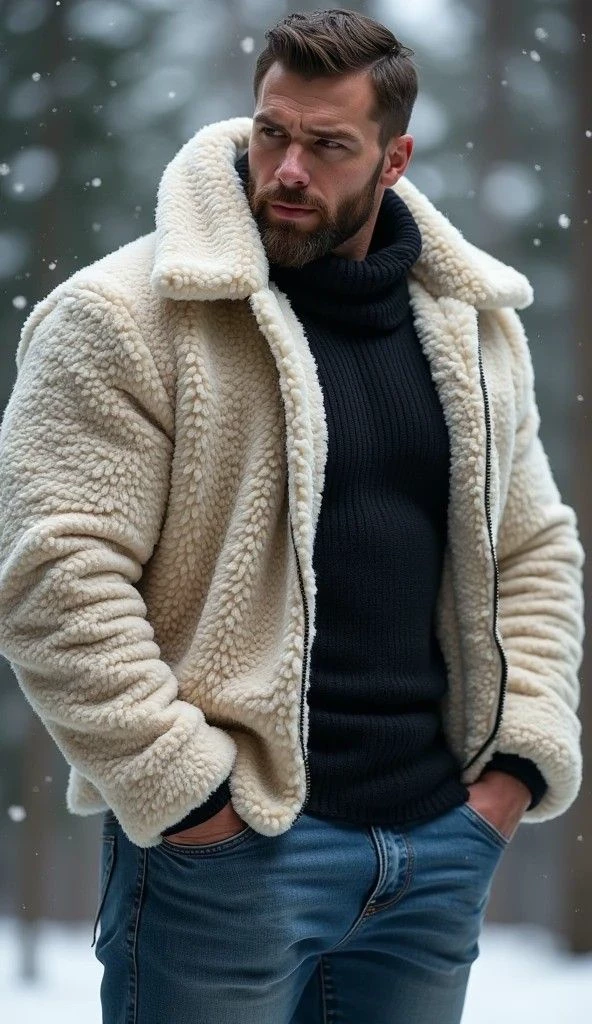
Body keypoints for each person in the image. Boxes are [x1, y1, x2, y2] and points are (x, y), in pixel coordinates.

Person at [0, 8, 584, 1024]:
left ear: (393, 159)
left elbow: (531, 548)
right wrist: (188, 797)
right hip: (226, 859)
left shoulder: (474, 325)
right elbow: (53, 574)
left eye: (328, 145)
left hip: (435, 854)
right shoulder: (121, 315)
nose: (288, 169)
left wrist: (512, 770)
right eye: (273, 132)